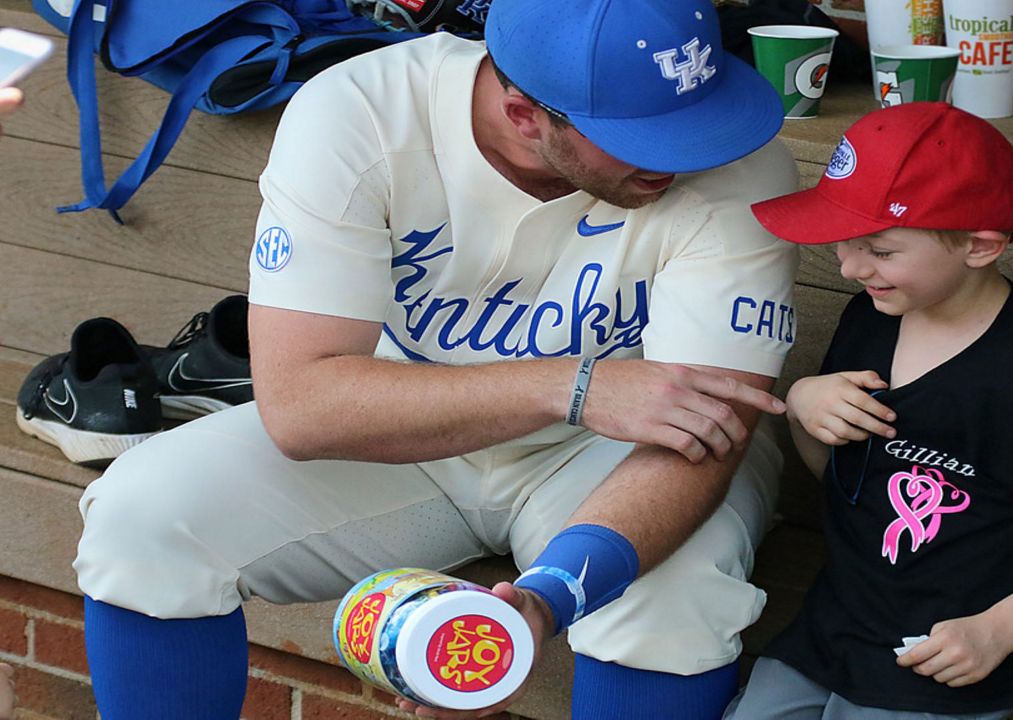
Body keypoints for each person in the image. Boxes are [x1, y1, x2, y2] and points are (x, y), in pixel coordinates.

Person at [70, 0, 800, 718]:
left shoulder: (737, 161)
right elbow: (301, 407)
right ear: (524, 114)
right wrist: (575, 384)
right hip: (407, 430)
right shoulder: (364, 108)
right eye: (644, 134)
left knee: (674, 595)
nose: (688, 151)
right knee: (144, 514)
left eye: (697, 115)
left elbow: (702, 433)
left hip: (617, 453)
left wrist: (540, 606)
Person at [725, 102, 1013, 720]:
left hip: (959, 645)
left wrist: (999, 630)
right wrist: (806, 408)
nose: (850, 266)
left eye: (881, 250)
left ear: (978, 246)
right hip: (846, 618)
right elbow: (847, 480)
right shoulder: (872, 315)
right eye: (844, 239)